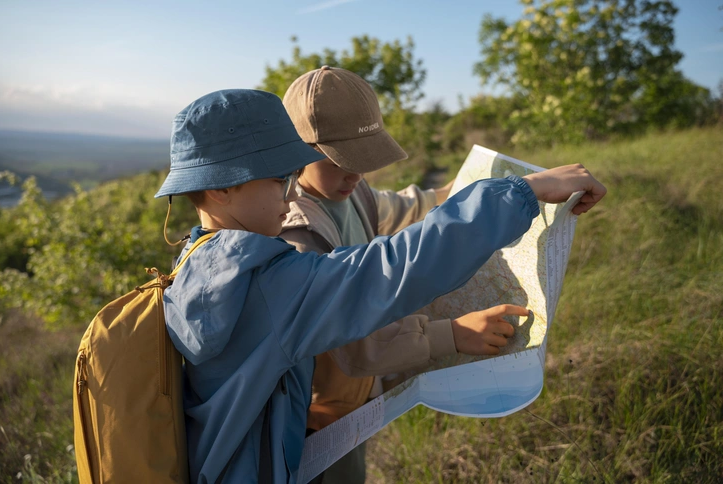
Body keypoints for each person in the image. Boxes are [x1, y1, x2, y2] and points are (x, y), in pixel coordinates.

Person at [155, 87, 606, 483]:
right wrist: (521, 193)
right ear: (220, 190)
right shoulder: (272, 285)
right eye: (280, 180)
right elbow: (394, 266)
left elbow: (399, 216)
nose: (292, 194)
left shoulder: (203, 262)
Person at [280, 66, 528, 484]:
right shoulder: (295, 233)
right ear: (297, 151)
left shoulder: (353, 192)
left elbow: (400, 206)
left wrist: (460, 190)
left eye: (364, 160)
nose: (356, 175)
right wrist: (450, 335)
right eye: (342, 162)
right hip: (318, 416)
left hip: (357, 400)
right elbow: (349, 341)